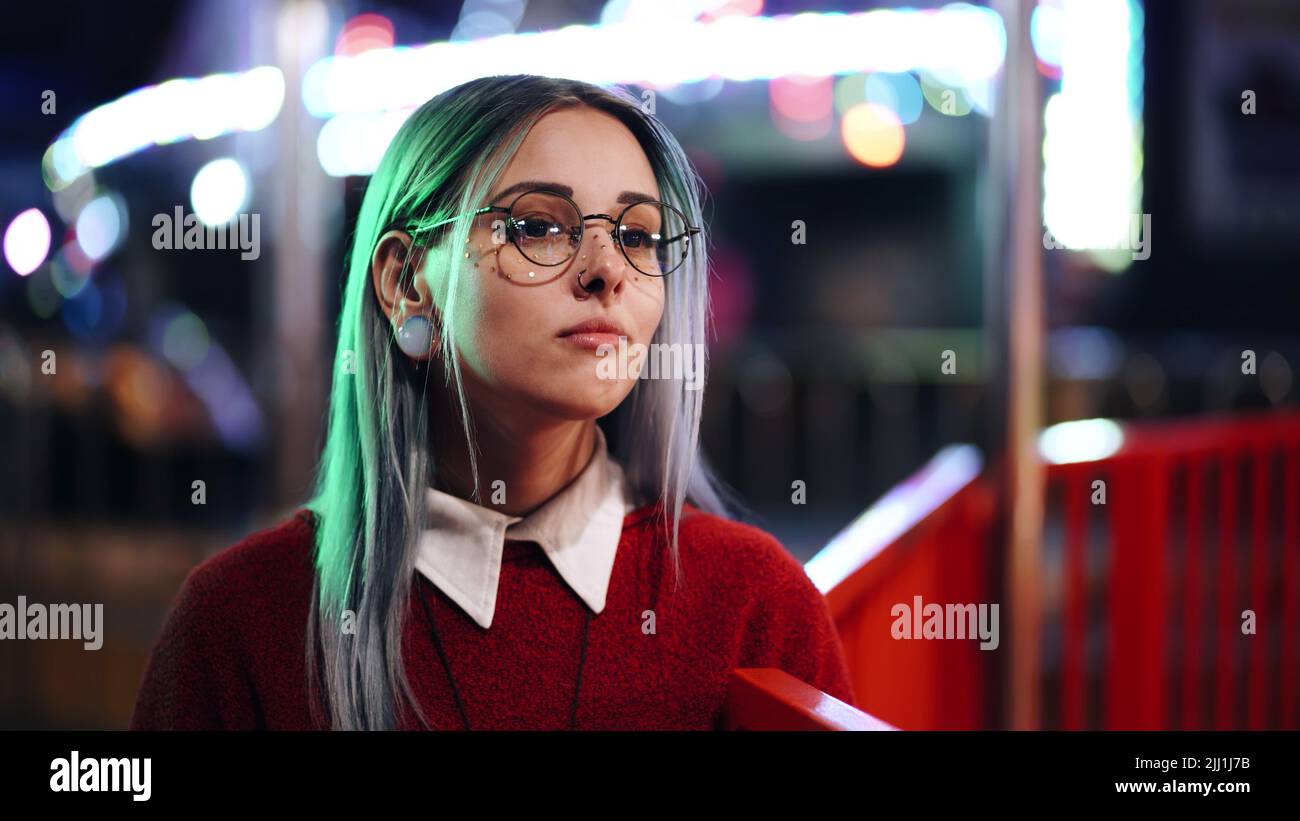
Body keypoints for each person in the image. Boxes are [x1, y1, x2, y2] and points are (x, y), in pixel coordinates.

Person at [130, 74, 854, 730]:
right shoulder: (239, 619)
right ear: (407, 282)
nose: (608, 271)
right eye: (538, 226)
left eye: (639, 235)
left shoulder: (754, 602)